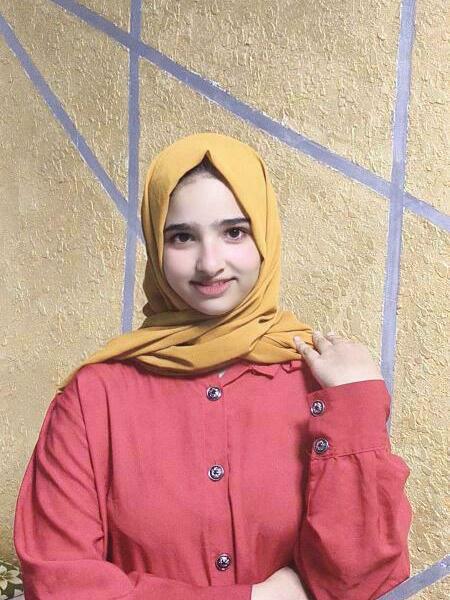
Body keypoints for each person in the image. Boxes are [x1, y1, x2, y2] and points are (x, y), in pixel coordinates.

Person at [13, 132, 412, 599]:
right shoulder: (94, 396)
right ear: (155, 245)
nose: (209, 262)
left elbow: (359, 577)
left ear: (264, 236)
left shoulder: (322, 384)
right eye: (182, 237)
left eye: (234, 232)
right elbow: (60, 584)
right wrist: (257, 598)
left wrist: (357, 406)